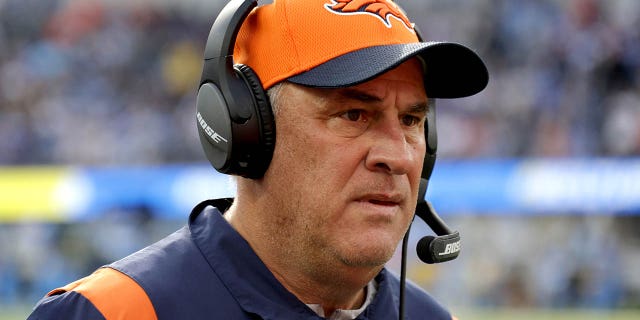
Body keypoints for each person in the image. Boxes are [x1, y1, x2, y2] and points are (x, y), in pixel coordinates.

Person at [28, 0, 488, 319]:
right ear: (245, 129)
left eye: (411, 120)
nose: (397, 155)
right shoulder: (111, 313)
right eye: (354, 114)